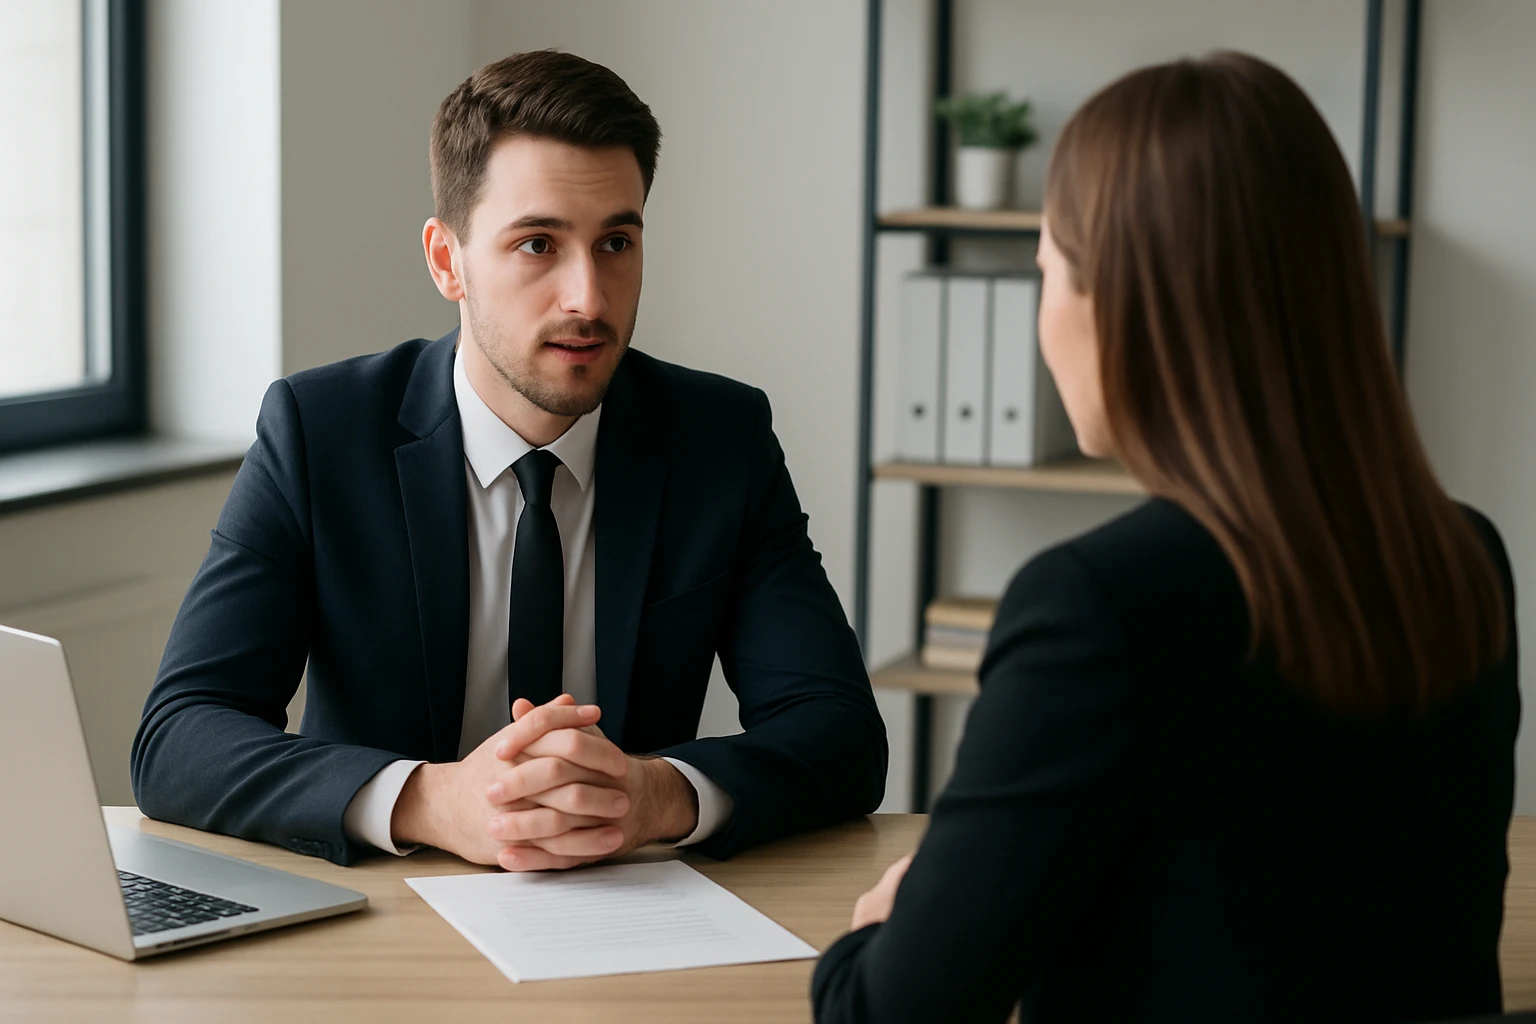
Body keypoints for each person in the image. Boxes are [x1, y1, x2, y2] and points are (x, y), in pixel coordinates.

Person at [813, 51, 1518, 1024]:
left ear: (1131, 307)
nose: (1039, 318)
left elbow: (894, 1015)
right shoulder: (1465, 558)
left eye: (1046, 270)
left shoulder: (1098, 604)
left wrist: (878, 928)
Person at [131, 50, 886, 872]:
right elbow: (180, 737)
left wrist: (656, 794)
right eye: (537, 244)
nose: (589, 299)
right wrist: (432, 799)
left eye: (617, 242)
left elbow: (840, 733)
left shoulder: (719, 438)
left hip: (632, 919)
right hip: (385, 919)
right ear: (447, 260)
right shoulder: (321, 433)